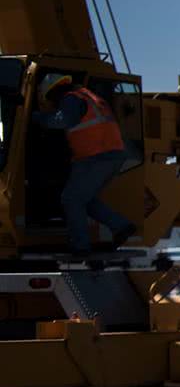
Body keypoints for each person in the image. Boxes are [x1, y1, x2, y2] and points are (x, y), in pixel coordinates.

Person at [32, 72, 136, 257]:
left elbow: (62, 120)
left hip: (95, 156)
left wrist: (38, 118)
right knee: (84, 199)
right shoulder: (87, 96)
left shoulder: (71, 100)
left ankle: (81, 246)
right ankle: (121, 226)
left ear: (54, 91)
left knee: (71, 199)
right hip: (111, 155)